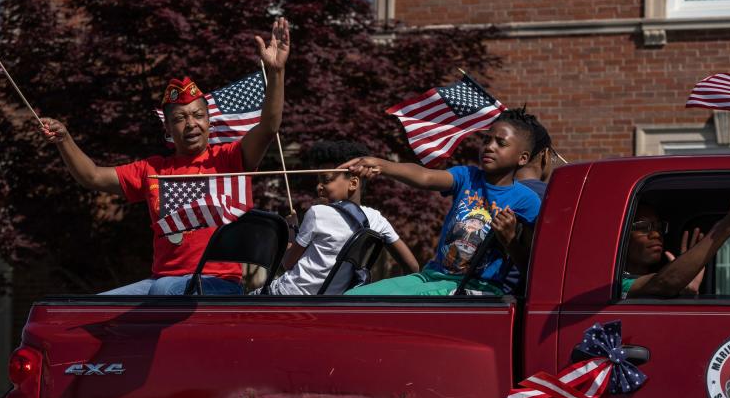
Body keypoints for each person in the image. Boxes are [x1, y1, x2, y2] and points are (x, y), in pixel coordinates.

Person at [40, 18, 290, 295]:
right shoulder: (152, 169)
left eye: (198, 115)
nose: (191, 124)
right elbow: (92, 175)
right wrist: (64, 140)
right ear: (168, 128)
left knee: (164, 292)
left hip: (216, 284)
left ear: (209, 121)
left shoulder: (229, 158)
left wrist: (276, 72)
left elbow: (269, 126)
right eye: (181, 118)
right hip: (162, 283)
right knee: (89, 312)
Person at [342, 109, 542, 296]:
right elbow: (425, 177)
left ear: (522, 158)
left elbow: (533, 269)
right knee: (353, 298)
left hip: (475, 288)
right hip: (430, 277)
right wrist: (381, 165)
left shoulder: (527, 201)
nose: (489, 147)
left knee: (385, 303)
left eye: (501, 143)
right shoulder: (467, 176)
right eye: (486, 140)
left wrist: (510, 241)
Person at [266, 141, 419, 295]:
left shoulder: (317, 213)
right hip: (331, 304)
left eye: (325, 180)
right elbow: (412, 267)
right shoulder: (377, 220)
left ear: (353, 183)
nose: (319, 186)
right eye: (318, 181)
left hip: (285, 296)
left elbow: (287, 263)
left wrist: (291, 229)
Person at [622, 187, 730, 299]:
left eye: (659, 227)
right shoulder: (618, 284)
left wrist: (687, 291)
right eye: (643, 227)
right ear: (622, 236)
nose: (656, 234)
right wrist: (729, 225)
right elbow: (664, 282)